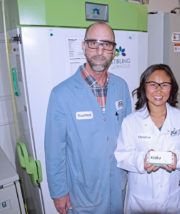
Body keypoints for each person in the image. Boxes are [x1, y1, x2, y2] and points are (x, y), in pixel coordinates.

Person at [44, 22, 131, 214]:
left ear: (114, 51)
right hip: (82, 192)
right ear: (84, 46)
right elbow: (54, 149)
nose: (100, 50)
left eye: (107, 44)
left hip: (117, 187)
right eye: (93, 43)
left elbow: (129, 135)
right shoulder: (61, 94)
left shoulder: (121, 87)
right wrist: (59, 191)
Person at [114, 64, 180, 213]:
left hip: (173, 199)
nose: (158, 90)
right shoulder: (131, 122)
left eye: (164, 85)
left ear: (171, 88)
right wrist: (142, 161)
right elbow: (122, 156)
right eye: (153, 84)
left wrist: (178, 159)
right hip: (141, 200)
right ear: (144, 87)